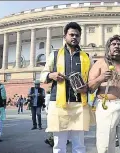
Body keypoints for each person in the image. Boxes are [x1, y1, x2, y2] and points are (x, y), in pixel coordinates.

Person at [40, 22, 94, 153]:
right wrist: (51, 75)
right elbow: (42, 76)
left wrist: (87, 88)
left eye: (77, 35)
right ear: (65, 36)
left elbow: (92, 81)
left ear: (80, 37)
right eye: (71, 34)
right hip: (59, 104)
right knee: (59, 145)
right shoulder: (54, 55)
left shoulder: (86, 57)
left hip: (79, 104)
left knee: (79, 145)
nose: (74, 37)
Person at [88, 35, 120, 153]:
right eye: (114, 44)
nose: (117, 46)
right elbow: (90, 87)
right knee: (105, 143)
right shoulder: (100, 63)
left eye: (119, 45)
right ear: (108, 48)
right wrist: (100, 78)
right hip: (108, 106)